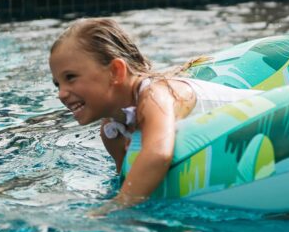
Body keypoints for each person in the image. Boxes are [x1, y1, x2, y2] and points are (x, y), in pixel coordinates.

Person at [48, 18, 260, 210]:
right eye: (57, 83)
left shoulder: (155, 95)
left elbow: (158, 154)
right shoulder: (111, 133)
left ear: (115, 72)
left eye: (71, 77)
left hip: (266, 110)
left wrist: (118, 207)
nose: (61, 94)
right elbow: (127, 178)